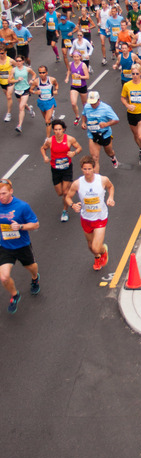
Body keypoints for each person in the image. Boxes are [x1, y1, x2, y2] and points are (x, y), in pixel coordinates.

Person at [65, 155, 115, 271]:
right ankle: (97, 257)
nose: (87, 172)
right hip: (86, 218)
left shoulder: (102, 180)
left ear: (94, 168)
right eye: (85, 169)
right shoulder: (77, 183)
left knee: (96, 247)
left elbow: (111, 187)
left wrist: (110, 198)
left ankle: (103, 251)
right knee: (90, 245)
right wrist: (73, 205)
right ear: (82, 169)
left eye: (89, 169)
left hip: (100, 218)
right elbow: (68, 197)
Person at [0, 178, 40, 314]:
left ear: (11, 191)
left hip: (22, 245)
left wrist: (21, 226)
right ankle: (14, 294)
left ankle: (35, 278)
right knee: (4, 277)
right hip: (5, 246)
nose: (1, 197)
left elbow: (35, 224)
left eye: (4, 193)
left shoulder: (22, 206)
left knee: (31, 267)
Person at [40, 119, 82, 221]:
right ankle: (71, 188)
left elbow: (79, 147)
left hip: (67, 168)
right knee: (59, 193)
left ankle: (65, 211)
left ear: (63, 129)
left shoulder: (70, 139)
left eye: (60, 129)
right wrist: (45, 157)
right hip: (55, 169)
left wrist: (74, 153)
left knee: (64, 192)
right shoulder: (50, 141)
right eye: (56, 129)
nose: (58, 131)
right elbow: (43, 148)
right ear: (53, 130)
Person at [120, 64, 141, 166]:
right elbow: (122, 97)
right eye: (133, 74)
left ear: (140, 73)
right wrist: (127, 105)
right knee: (135, 136)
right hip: (131, 114)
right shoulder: (127, 85)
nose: (134, 75)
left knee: (140, 136)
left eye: (136, 73)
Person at [81, 91, 120, 171]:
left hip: (104, 134)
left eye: (94, 103)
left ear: (99, 100)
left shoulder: (106, 108)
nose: (92, 105)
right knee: (94, 158)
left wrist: (106, 124)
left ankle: (113, 157)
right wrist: (83, 122)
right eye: (91, 103)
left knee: (109, 152)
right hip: (93, 135)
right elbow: (84, 114)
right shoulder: (87, 106)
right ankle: (96, 181)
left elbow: (116, 120)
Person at [8, 55, 36, 134]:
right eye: (17, 61)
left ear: (23, 61)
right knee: (23, 105)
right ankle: (30, 109)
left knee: (21, 107)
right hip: (17, 90)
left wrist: (32, 80)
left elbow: (34, 74)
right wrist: (16, 80)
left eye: (20, 61)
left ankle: (19, 125)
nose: (18, 62)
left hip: (25, 89)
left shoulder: (27, 69)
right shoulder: (13, 70)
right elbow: (9, 81)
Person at [65, 49, 89, 126]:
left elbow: (87, 77)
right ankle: (77, 116)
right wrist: (67, 77)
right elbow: (69, 70)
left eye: (77, 57)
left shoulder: (83, 65)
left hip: (82, 86)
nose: (75, 58)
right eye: (74, 57)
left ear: (80, 57)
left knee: (84, 104)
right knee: (73, 103)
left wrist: (79, 76)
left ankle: (86, 117)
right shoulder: (70, 63)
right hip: (74, 86)